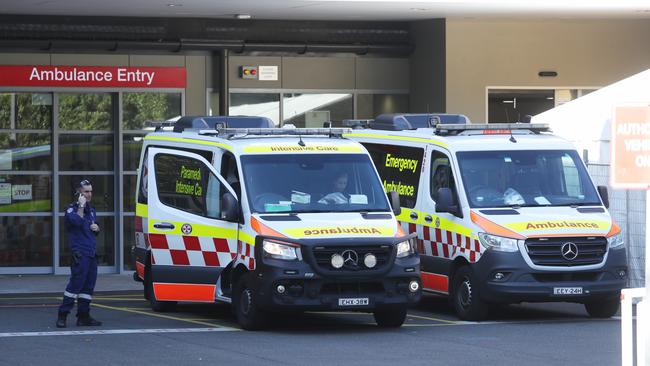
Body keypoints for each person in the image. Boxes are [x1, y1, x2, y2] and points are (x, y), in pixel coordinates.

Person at [56, 179, 102, 328]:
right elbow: (75, 222)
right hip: (80, 254)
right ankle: (62, 315)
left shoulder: (92, 210)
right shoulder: (72, 209)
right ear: (79, 193)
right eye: (86, 192)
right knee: (75, 286)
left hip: (91, 254)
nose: (89, 194)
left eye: (90, 191)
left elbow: (91, 230)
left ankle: (83, 316)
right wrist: (81, 206)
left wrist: (97, 228)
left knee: (88, 288)